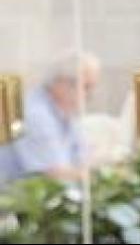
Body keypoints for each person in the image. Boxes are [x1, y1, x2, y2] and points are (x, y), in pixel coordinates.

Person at [0, 52, 100, 185]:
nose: (90, 95)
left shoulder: (65, 113)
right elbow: (55, 176)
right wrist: (101, 177)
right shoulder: (34, 115)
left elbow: (83, 158)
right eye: (86, 87)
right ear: (61, 84)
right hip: (17, 195)